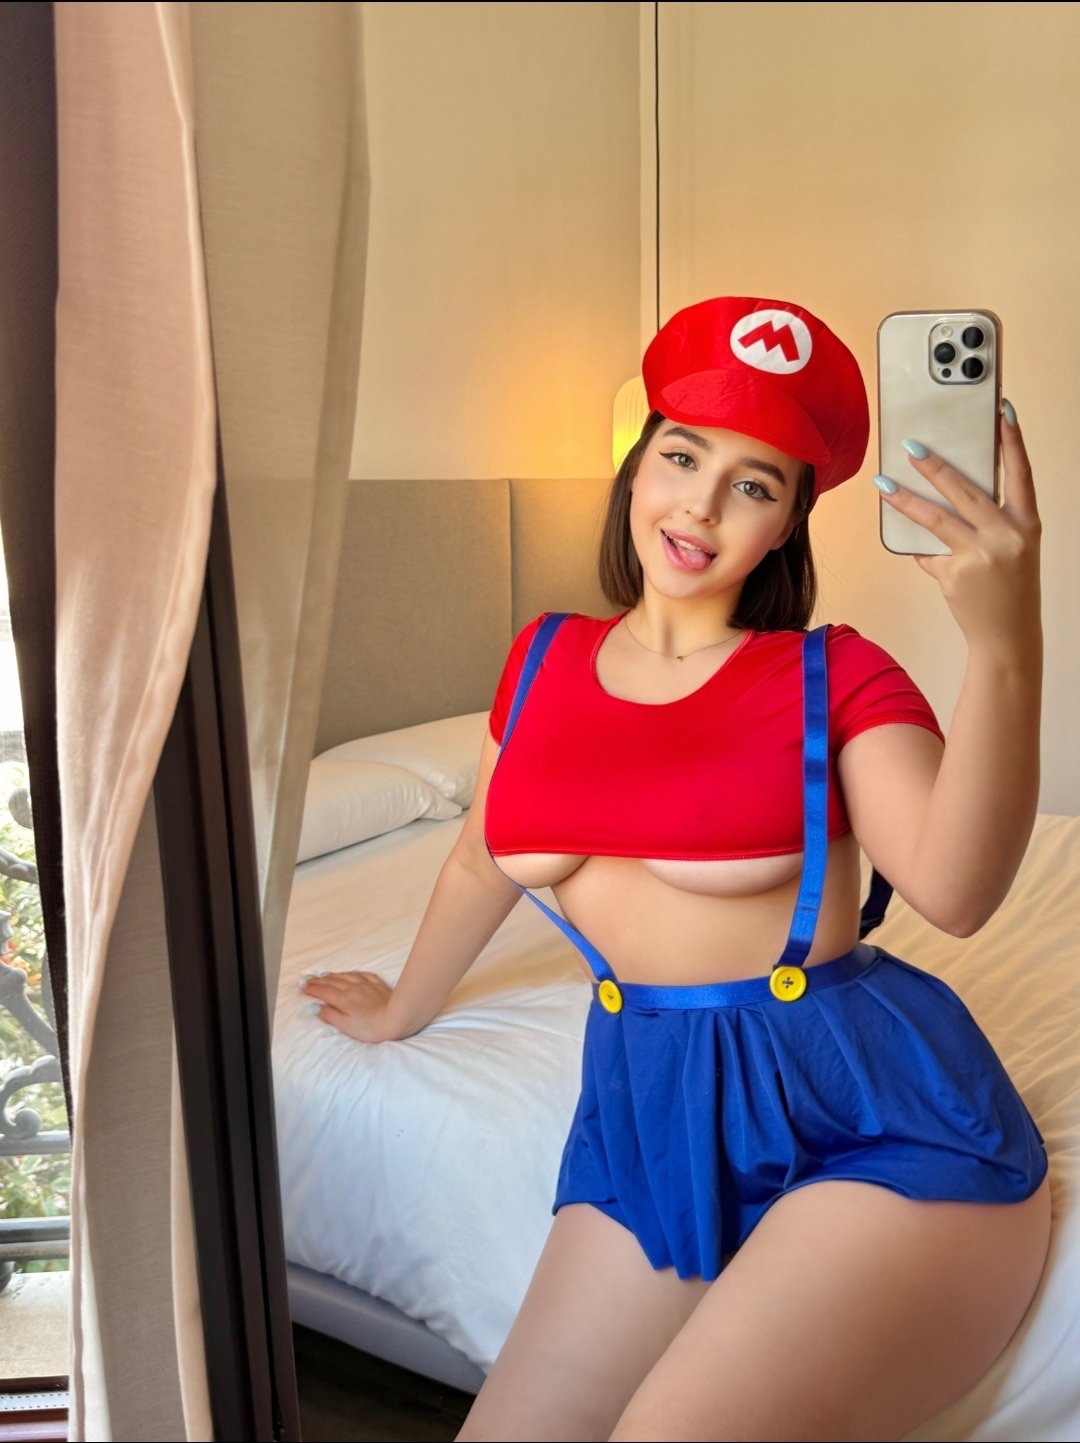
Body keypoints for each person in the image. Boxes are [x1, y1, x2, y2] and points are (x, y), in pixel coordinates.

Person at [302, 296, 1051, 1442]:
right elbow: (478, 860)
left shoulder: (832, 675)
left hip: (868, 1116)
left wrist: (1005, 642)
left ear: (788, 523)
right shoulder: (541, 657)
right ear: (637, 468)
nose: (700, 504)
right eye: (682, 456)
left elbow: (956, 893)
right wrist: (404, 1007)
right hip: (652, 1110)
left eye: (754, 484)